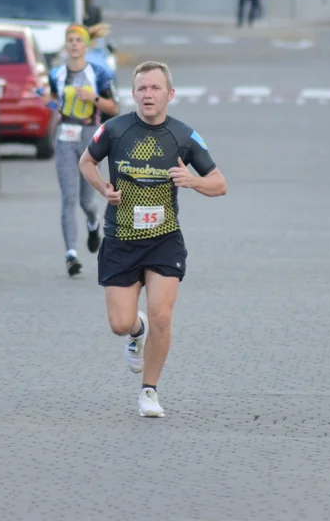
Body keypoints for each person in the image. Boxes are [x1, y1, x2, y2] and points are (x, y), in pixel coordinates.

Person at [79, 60, 227, 417]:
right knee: (120, 324)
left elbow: (220, 184)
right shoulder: (115, 130)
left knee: (162, 315)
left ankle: (149, 391)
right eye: (142, 88)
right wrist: (104, 189)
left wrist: (192, 180)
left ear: (170, 95)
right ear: (133, 94)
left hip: (164, 239)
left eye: (155, 88)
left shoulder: (184, 136)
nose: (148, 94)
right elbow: (86, 162)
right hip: (121, 238)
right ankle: (136, 330)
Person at [48, 24, 119, 276]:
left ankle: (93, 222)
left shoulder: (98, 73)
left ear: (86, 45)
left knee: (87, 201)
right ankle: (71, 255)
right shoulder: (56, 72)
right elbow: (54, 98)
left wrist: (94, 99)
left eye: (79, 40)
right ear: (66, 45)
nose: (74, 44)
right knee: (68, 197)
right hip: (65, 138)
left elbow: (114, 108)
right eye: (70, 40)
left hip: (90, 138)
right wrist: (52, 106)